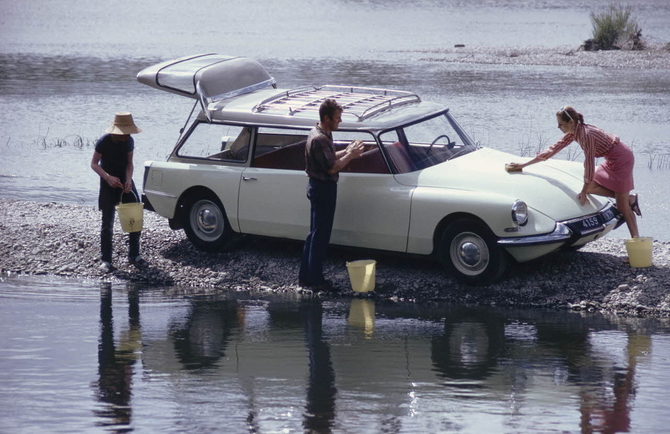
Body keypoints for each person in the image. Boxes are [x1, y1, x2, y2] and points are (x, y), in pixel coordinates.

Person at [508, 106, 640, 238]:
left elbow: (589, 163)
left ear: (571, 122)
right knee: (591, 187)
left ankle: (637, 241)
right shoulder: (574, 133)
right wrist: (524, 165)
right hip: (611, 159)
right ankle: (629, 199)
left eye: (561, 124)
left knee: (622, 207)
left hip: (621, 159)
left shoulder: (586, 135)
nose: (558, 127)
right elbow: (552, 150)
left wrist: (583, 189)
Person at [299, 99, 364, 290]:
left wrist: (349, 151)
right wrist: (350, 155)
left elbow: (329, 156)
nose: (340, 121)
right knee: (320, 236)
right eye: (337, 118)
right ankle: (316, 280)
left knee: (314, 234)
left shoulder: (321, 133)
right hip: (322, 189)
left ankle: (306, 277)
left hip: (318, 187)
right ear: (326, 118)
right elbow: (331, 167)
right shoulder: (319, 139)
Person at [90, 112, 149, 273]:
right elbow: (94, 164)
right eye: (124, 133)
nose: (127, 136)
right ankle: (106, 260)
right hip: (108, 183)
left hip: (125, 183)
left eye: (129, 133)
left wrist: (128, 180)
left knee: (134, 219)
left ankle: (134, 255)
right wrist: (108, 177)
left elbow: (130, 164)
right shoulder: (104, 141)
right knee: (107, 224)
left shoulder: (129, 141)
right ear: (116, 131)